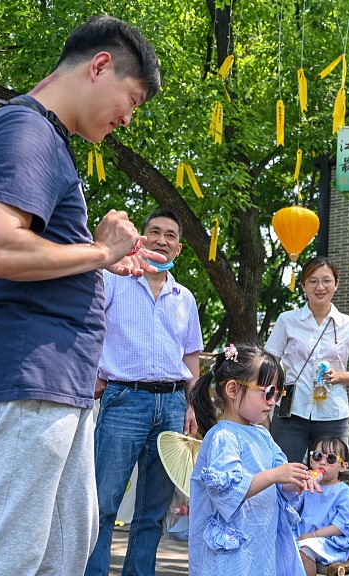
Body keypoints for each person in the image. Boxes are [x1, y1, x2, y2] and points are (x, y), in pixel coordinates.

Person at [0, 15, 162, 576]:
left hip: (48, 389)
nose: (128, 118)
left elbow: (21, 253)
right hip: (22, 383)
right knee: (1, 564)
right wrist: (100, 252)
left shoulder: (44, 138)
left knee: (56, 558)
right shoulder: (26, 130)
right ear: (100, 66)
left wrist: (97, 259)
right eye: (133, 100)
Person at [85, 209, 203, 576]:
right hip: (124, 400)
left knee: (152, 513)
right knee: (103, 504)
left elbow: (191, 356)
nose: (161, 240)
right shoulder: (114, 280)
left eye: (170, 235)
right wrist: (91, 374)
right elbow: (89, 326)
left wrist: (192, 405)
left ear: (178, 248)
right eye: (155, 232)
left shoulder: (185, 298)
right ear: (141, 238)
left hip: (172, 404)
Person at [187, 343, 321, 576]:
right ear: (233, 389)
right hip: (233, 549)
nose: (272, 401)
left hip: (261, 542)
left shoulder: (263, 435)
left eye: (278, 393)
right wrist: (276, 475)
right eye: (268, 392)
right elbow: (227, 492)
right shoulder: (223, 437)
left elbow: (280, 479)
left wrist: (296, 480)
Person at [266, 256, 349, 462]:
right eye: (313, 281)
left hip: (332, 415)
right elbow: (269, 363)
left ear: (336, 284)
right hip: (290, 412)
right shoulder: (287, 320)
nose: (320, 287)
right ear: (303, 285)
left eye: (326, 280)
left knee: (328, 473)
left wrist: (339, 376)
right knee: (285, 470)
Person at [294, 436, 349, 576]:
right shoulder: (308, 485)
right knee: (279, 544)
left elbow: (341, 527)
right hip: (302, 535)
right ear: (311, 460)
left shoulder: (346, 494)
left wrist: (312, 536)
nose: (322, 462)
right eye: (318, 456)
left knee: (304, 549)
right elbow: (292, 509)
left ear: (343, 466)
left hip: (330, 543)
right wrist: (298, 486)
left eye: (331, 459)